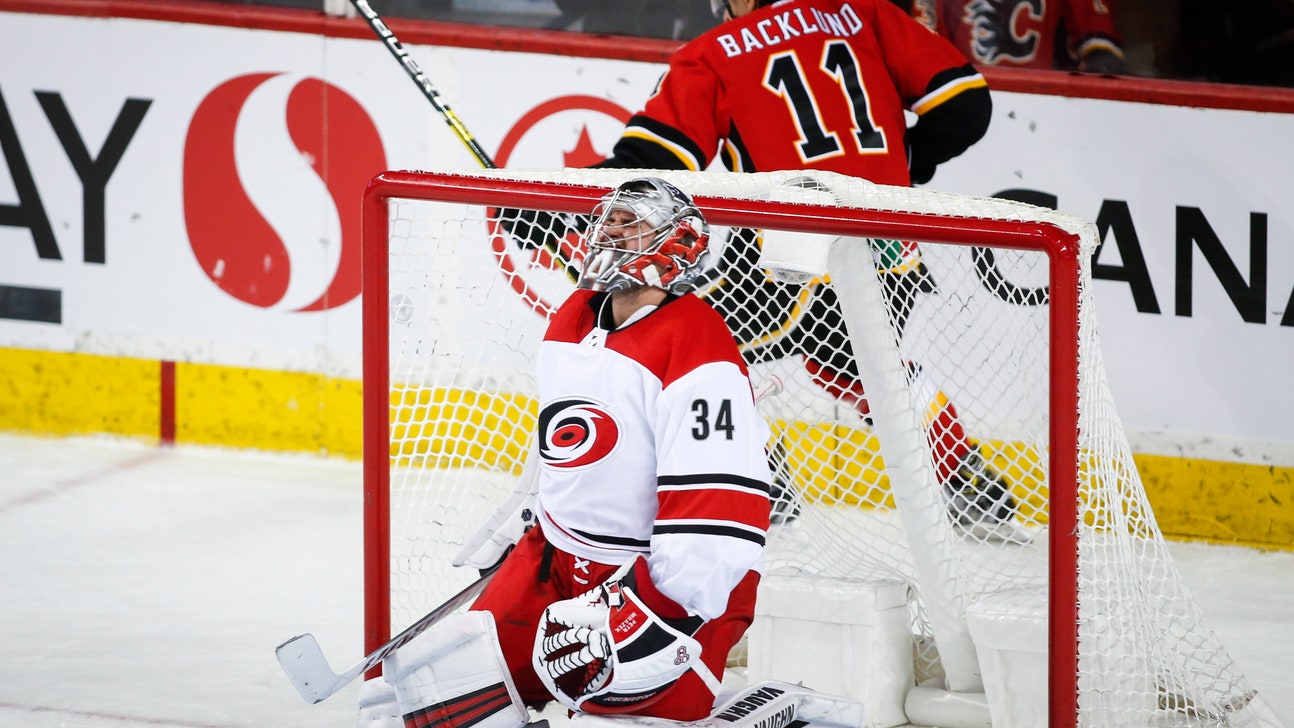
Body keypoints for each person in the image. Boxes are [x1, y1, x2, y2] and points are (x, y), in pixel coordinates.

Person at [571, 0, 1018, 536]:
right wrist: (906, 165)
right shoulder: (867, 14)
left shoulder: (715, 52)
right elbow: (966, 106)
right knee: (854, 366)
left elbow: (653, 163)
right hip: (891, 251)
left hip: (791, 261)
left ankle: (759, 480)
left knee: (682, 348)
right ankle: (967, 482)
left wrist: (551, 198)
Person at [360, 178, 773, 728]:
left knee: (611, 720)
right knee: (430, 704)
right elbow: (569, 436)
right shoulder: (574, 318)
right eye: (609, 220)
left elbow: (718, 506)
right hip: (555, 561)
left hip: (656, 585)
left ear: (677, 244)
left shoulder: (697, 345)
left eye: (632, 223)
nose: (612, 232)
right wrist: (530, 519)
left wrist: (666, 607)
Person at [894, 0, 1126, 73]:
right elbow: (925, 37)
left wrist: (1099, 54)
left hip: (1045, 101)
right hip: (963, 95)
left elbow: (1096, 31)